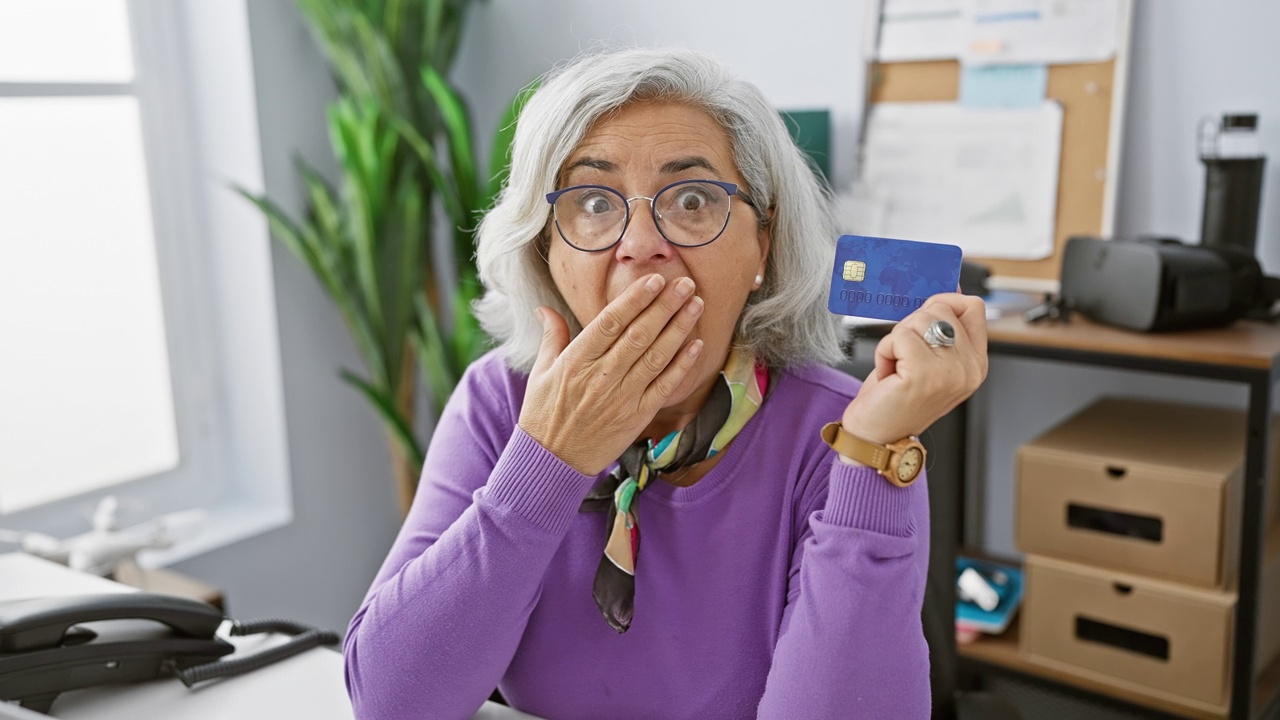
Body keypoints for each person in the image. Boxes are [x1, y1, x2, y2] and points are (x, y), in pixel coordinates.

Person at [342, 46, 987, 720]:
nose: (641, 242)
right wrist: (548, 460)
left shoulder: (851, 437)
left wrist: (870, 455)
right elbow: (393, 702)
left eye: (691, 198)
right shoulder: (498, 401)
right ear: (547, 251)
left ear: (761, 245)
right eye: (594, 200)